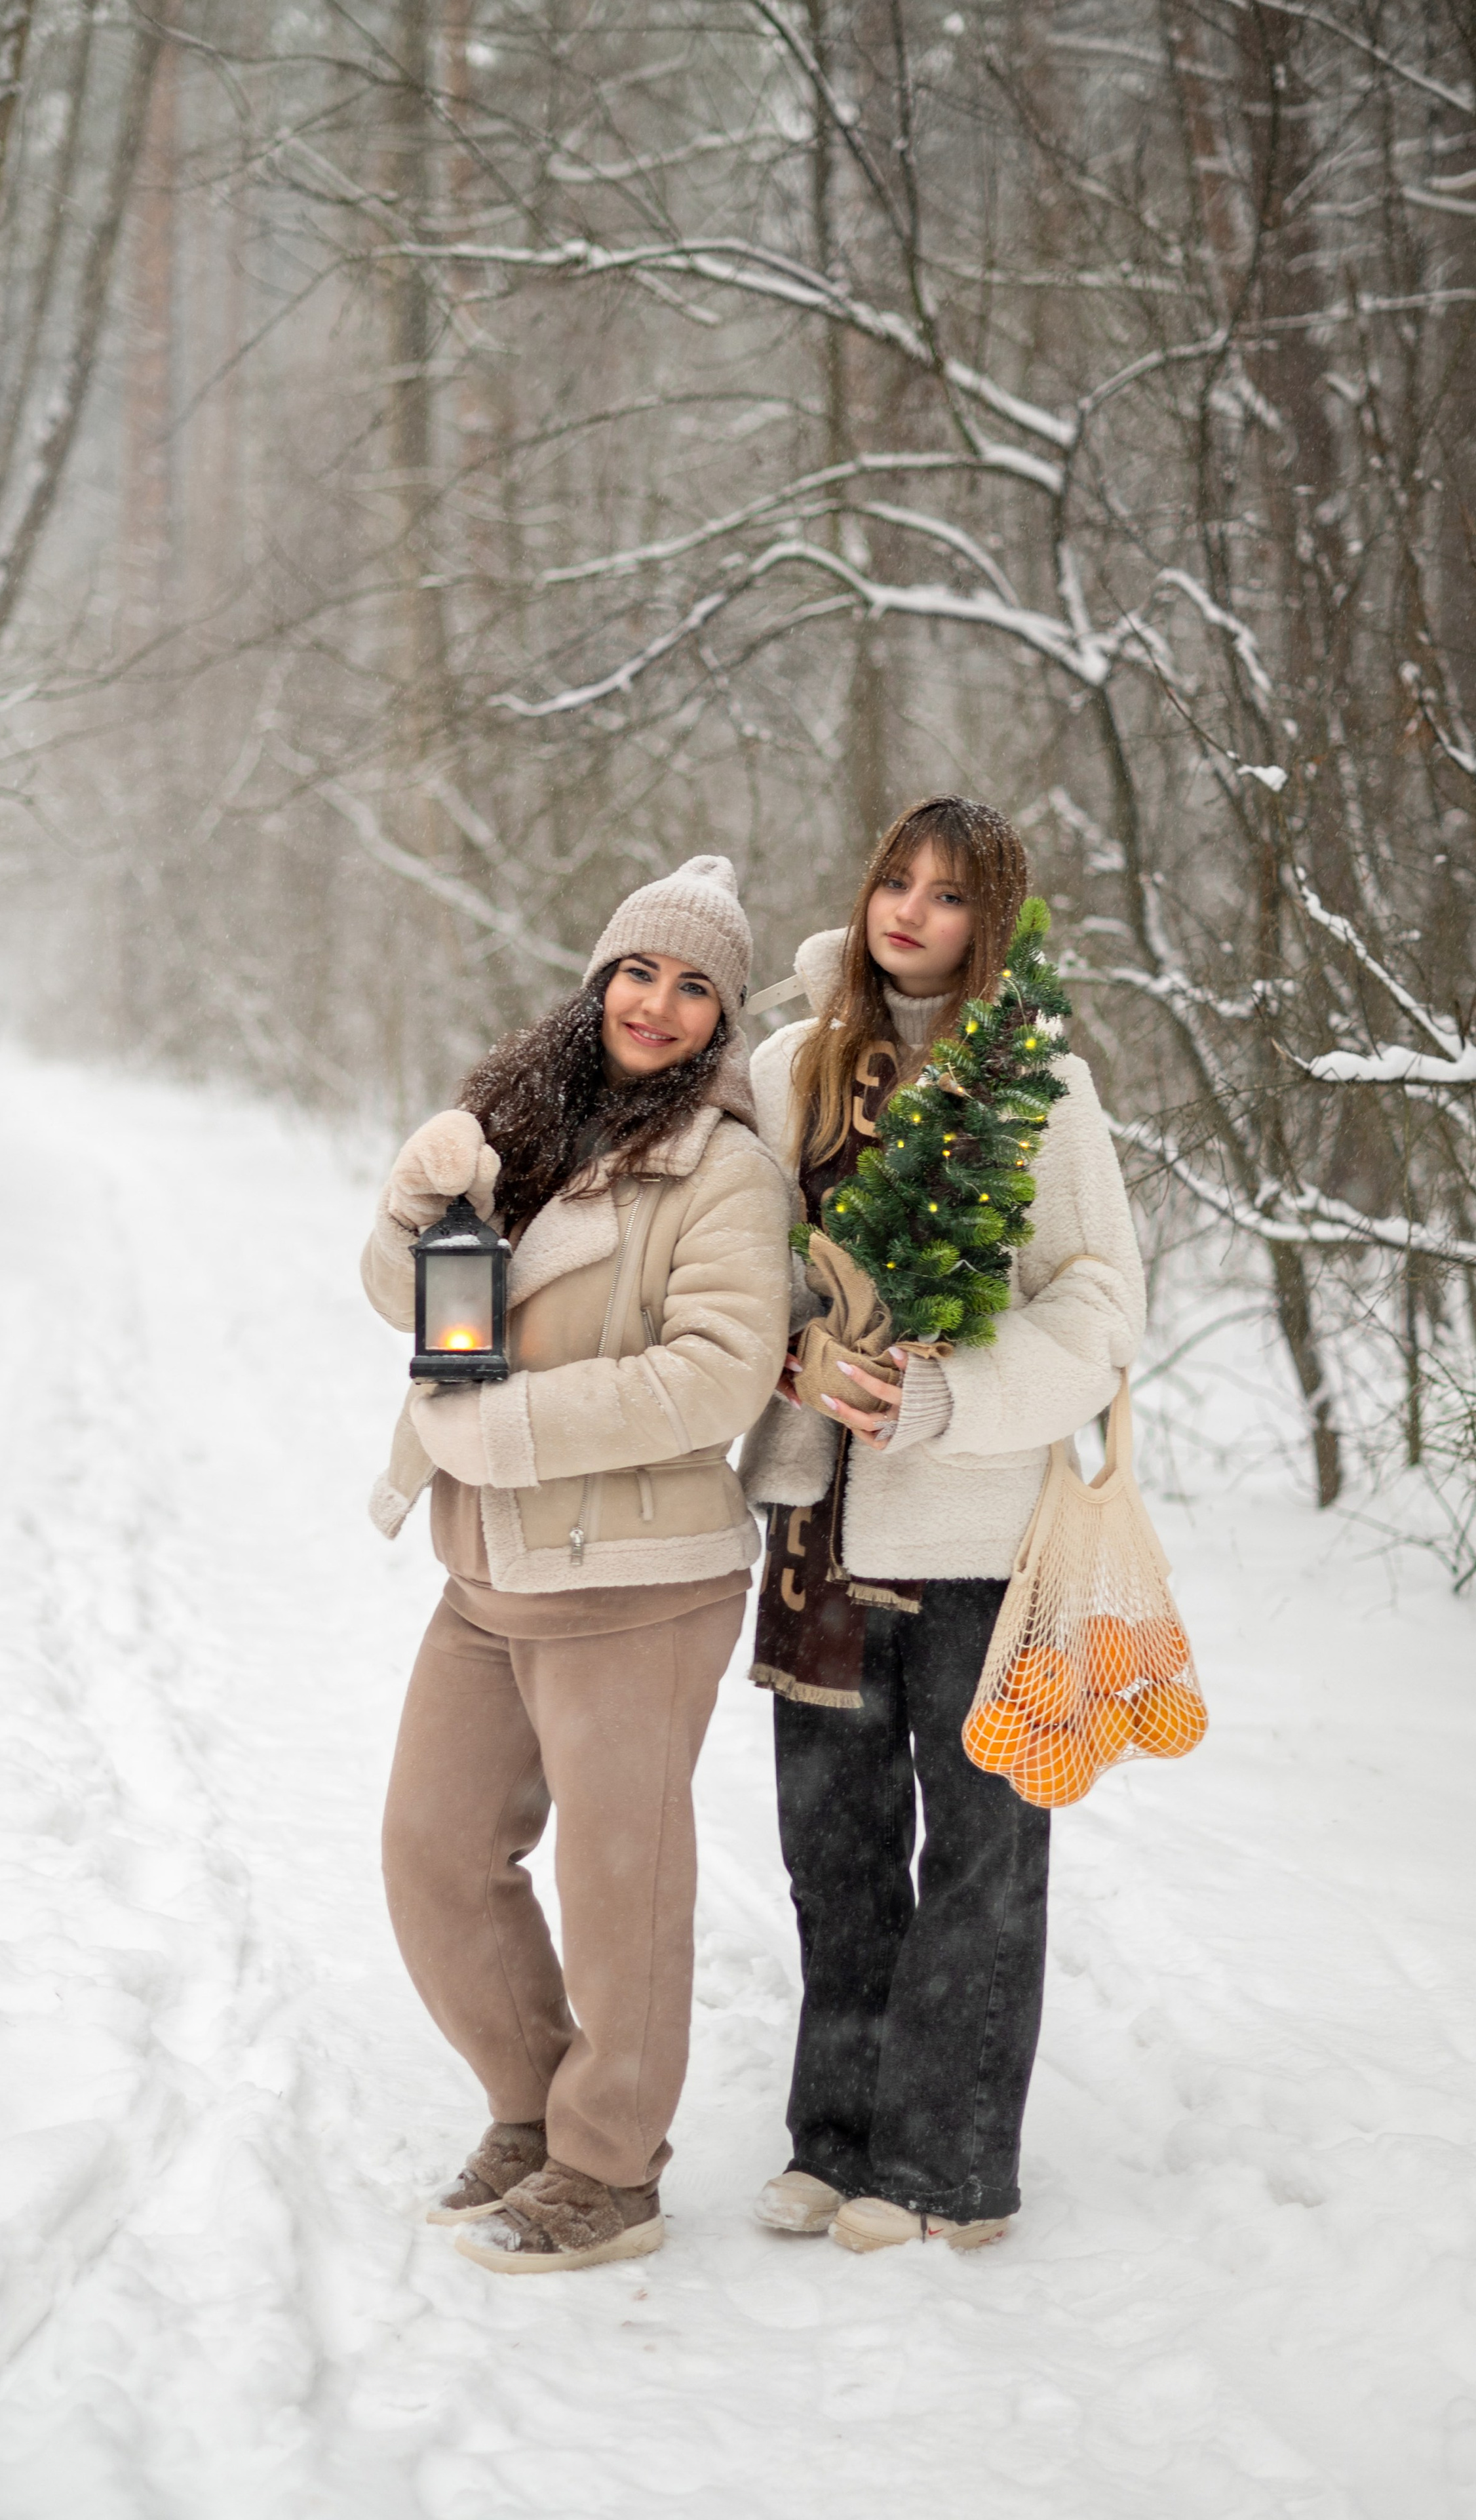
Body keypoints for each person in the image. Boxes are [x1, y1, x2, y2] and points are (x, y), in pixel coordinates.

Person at [362, 857, 790, 2274]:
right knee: (433, 1851)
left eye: (691, 986)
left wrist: (514, 1427)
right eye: (637, 971)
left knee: (623, 1885)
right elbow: (417, 1304)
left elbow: (720, 1373)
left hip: (637, 1579)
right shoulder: (517, 1117)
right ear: (597, 977)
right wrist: (406, 1207)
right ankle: (534, 2108)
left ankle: (609, 2169)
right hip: (488, 1564)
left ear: (720, 1016)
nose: (656, 1004)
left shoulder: (719, 1167)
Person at [739, 797, 1144, 2254]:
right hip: (817, 1528)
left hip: (980, 1531)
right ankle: (831, 2138)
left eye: (947, 893)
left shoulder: (1037, 1081)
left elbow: (1099, 1302)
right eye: (892, 880)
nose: (907, 908)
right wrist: (790, 1355)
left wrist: (945, 1396)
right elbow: (732, 1272)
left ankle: (948, 2164)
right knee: (832, 1849)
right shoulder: (787, 1068)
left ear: (994, 923)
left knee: (979, 1849)